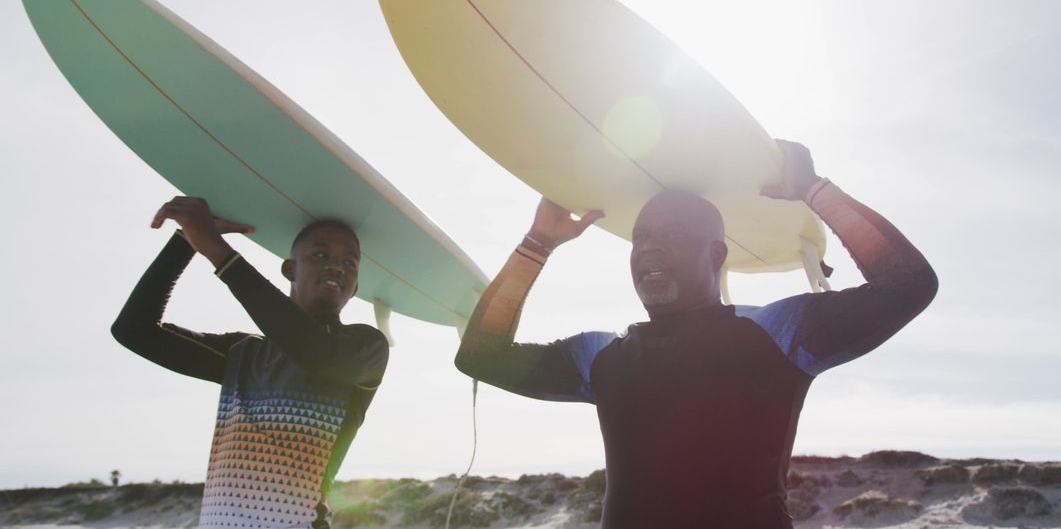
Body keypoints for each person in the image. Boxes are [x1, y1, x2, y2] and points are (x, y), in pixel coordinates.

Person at [455, 140, 938, 528]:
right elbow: (480, 356)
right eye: (640, 237)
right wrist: (536, 245)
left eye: (673, 232)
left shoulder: (774, 334)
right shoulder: (602, 357)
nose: (650, 246)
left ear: (717, 256)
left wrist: (814, 190)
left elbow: (909, 285)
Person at [112, 196, 389, 529]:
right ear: (290, 269)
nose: (336, 266)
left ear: (354, 286)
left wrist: (216, 250)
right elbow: (134, 330)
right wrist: (185, 241)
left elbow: (315, 354)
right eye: (320, 255)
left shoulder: (366, 348)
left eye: (350, 263)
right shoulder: (242, 354)